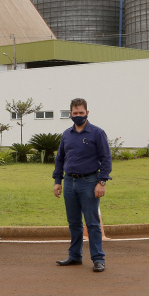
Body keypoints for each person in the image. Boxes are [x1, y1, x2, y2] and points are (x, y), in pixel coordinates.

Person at [53, 97, 112, 272]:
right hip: (70, 181)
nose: (78, 115)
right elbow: (60, 159)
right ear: (70, 114)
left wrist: (102, 182)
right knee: (74, 222)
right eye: (75, 113)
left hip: (90, 182)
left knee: (92, 223)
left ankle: (98, 258)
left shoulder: (97, 133)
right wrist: (58, 181)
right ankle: (75, 256)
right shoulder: (66, 134)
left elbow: (106, 158)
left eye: (81, 112)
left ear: (87, 113)